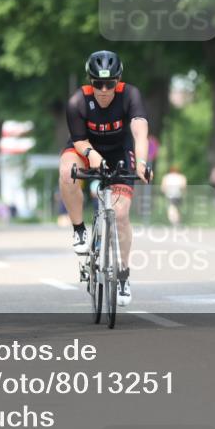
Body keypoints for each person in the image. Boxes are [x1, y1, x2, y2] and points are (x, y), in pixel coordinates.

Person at [58, 51, 151, 306]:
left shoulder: (130, 95)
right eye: (97, 83)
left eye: (109, 83)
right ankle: (79, 230)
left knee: (120, 215)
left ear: (118, 81)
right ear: (90, 81)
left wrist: (142, 163)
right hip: (85, 149)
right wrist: (92, 155)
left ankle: (122, 275)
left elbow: (140, 132)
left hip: (120, 150)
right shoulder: (78, 100)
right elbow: (78, 140)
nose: (103, 89)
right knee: (67, 172)